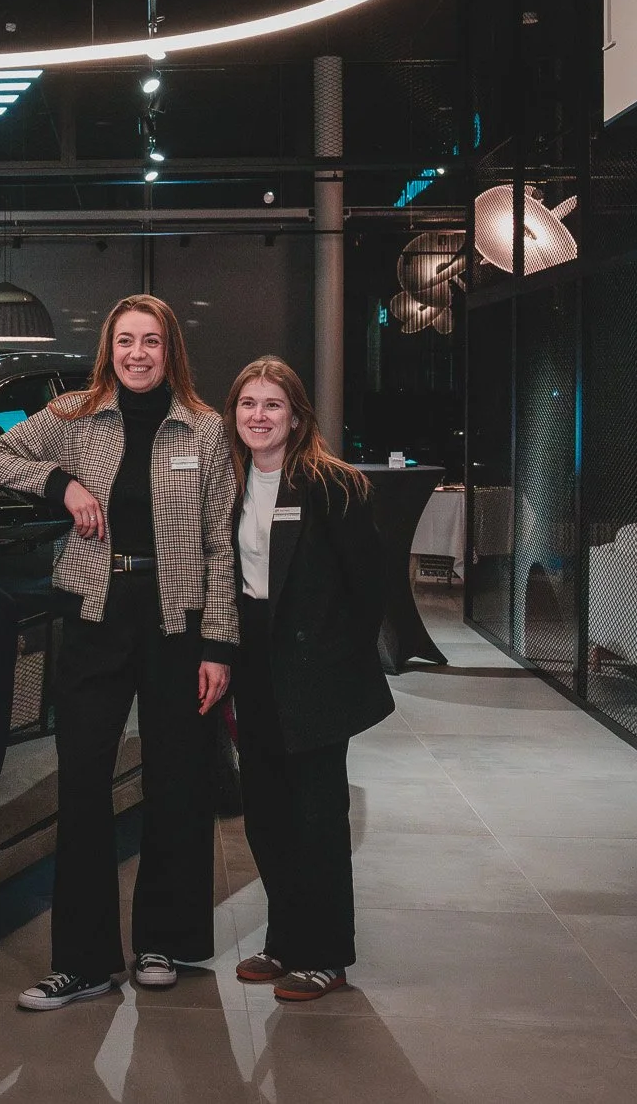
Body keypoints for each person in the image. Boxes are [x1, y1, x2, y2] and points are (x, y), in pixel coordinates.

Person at [0, 293, 239, 1010]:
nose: (138, 354)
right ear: (109, 349)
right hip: (95, 613)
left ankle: (162, 940)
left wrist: (219, 644)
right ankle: (83, 963)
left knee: (177, 784)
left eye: (151, 341)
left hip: (177, 621)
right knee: (83, 785)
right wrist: (61, 483)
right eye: (126, 341)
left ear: (169, 348)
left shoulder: (205, 430)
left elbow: (221, 544)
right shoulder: (76, 417)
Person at [224, 355, 391, 1002]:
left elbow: (369, 589)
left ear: (296, 415)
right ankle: (285, 939)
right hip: (254, 669)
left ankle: (326, 954)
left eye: (272, 404)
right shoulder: (233, 484)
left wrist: (330, 656)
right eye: (248, 404)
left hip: (315, 673)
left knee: (318, 817)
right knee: (265, 817)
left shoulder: (334, 486)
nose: (259, 416)